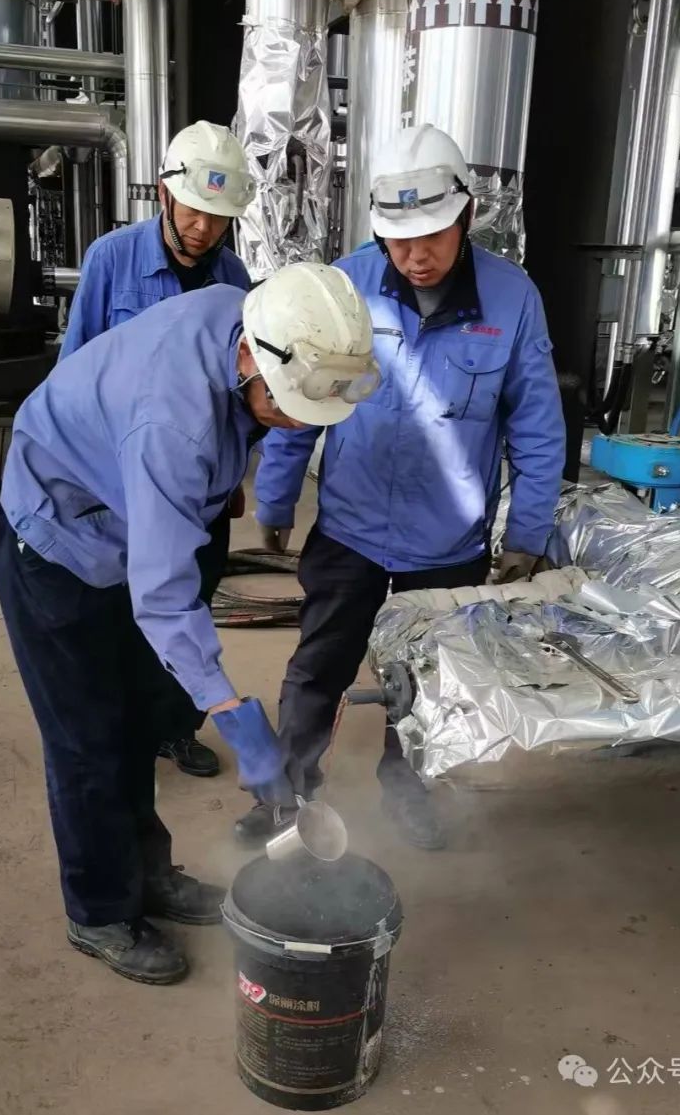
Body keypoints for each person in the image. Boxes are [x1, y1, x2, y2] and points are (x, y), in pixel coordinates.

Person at [0, 265, 376, 985]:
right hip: (54, 539)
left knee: (139, 721)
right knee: (88, 738)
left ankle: (147, 876)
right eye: (287, 405)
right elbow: (163, 597)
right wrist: (229, 711)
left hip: (121, 516)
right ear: (252, 357)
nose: (296, 423)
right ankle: (100, 909)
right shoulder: (174, 426)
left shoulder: (244, 311)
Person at [239, 123, 567, 851]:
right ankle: (285, 795)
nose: (415, 256)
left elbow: (538, 429)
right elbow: (299, 399)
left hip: (448, 541)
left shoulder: (513, 299)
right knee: (317, 668)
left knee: (426, 682)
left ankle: (409, 787)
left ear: (466, 216)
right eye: (398, 240)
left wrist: (526, 536)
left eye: (432, 237)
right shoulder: (346, 286)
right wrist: (277, 497)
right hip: (351, 528)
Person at [60, 120, 256, 779]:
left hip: (197, 480)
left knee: (191, 596)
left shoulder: (233, 278)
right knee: (122, 606)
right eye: (194, 210)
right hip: (120, 481)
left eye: (219, 217)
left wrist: (235, 476)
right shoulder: (112, 260)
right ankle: (115, 736)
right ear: (165, 194)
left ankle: (175, 726)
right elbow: (74, 371)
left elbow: (245, 388)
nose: (204, 228)